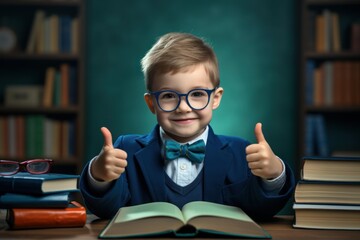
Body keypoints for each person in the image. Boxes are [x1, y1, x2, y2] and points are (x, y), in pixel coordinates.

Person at [79, 32, 295, 220]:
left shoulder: (242, 152)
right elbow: (105, 210)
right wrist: (99, 176)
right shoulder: (125, 149)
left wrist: (274, 175)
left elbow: (263, 211)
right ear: (151, 103)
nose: (183, 107)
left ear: (216, 98)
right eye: (169, 96)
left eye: (198, 94)